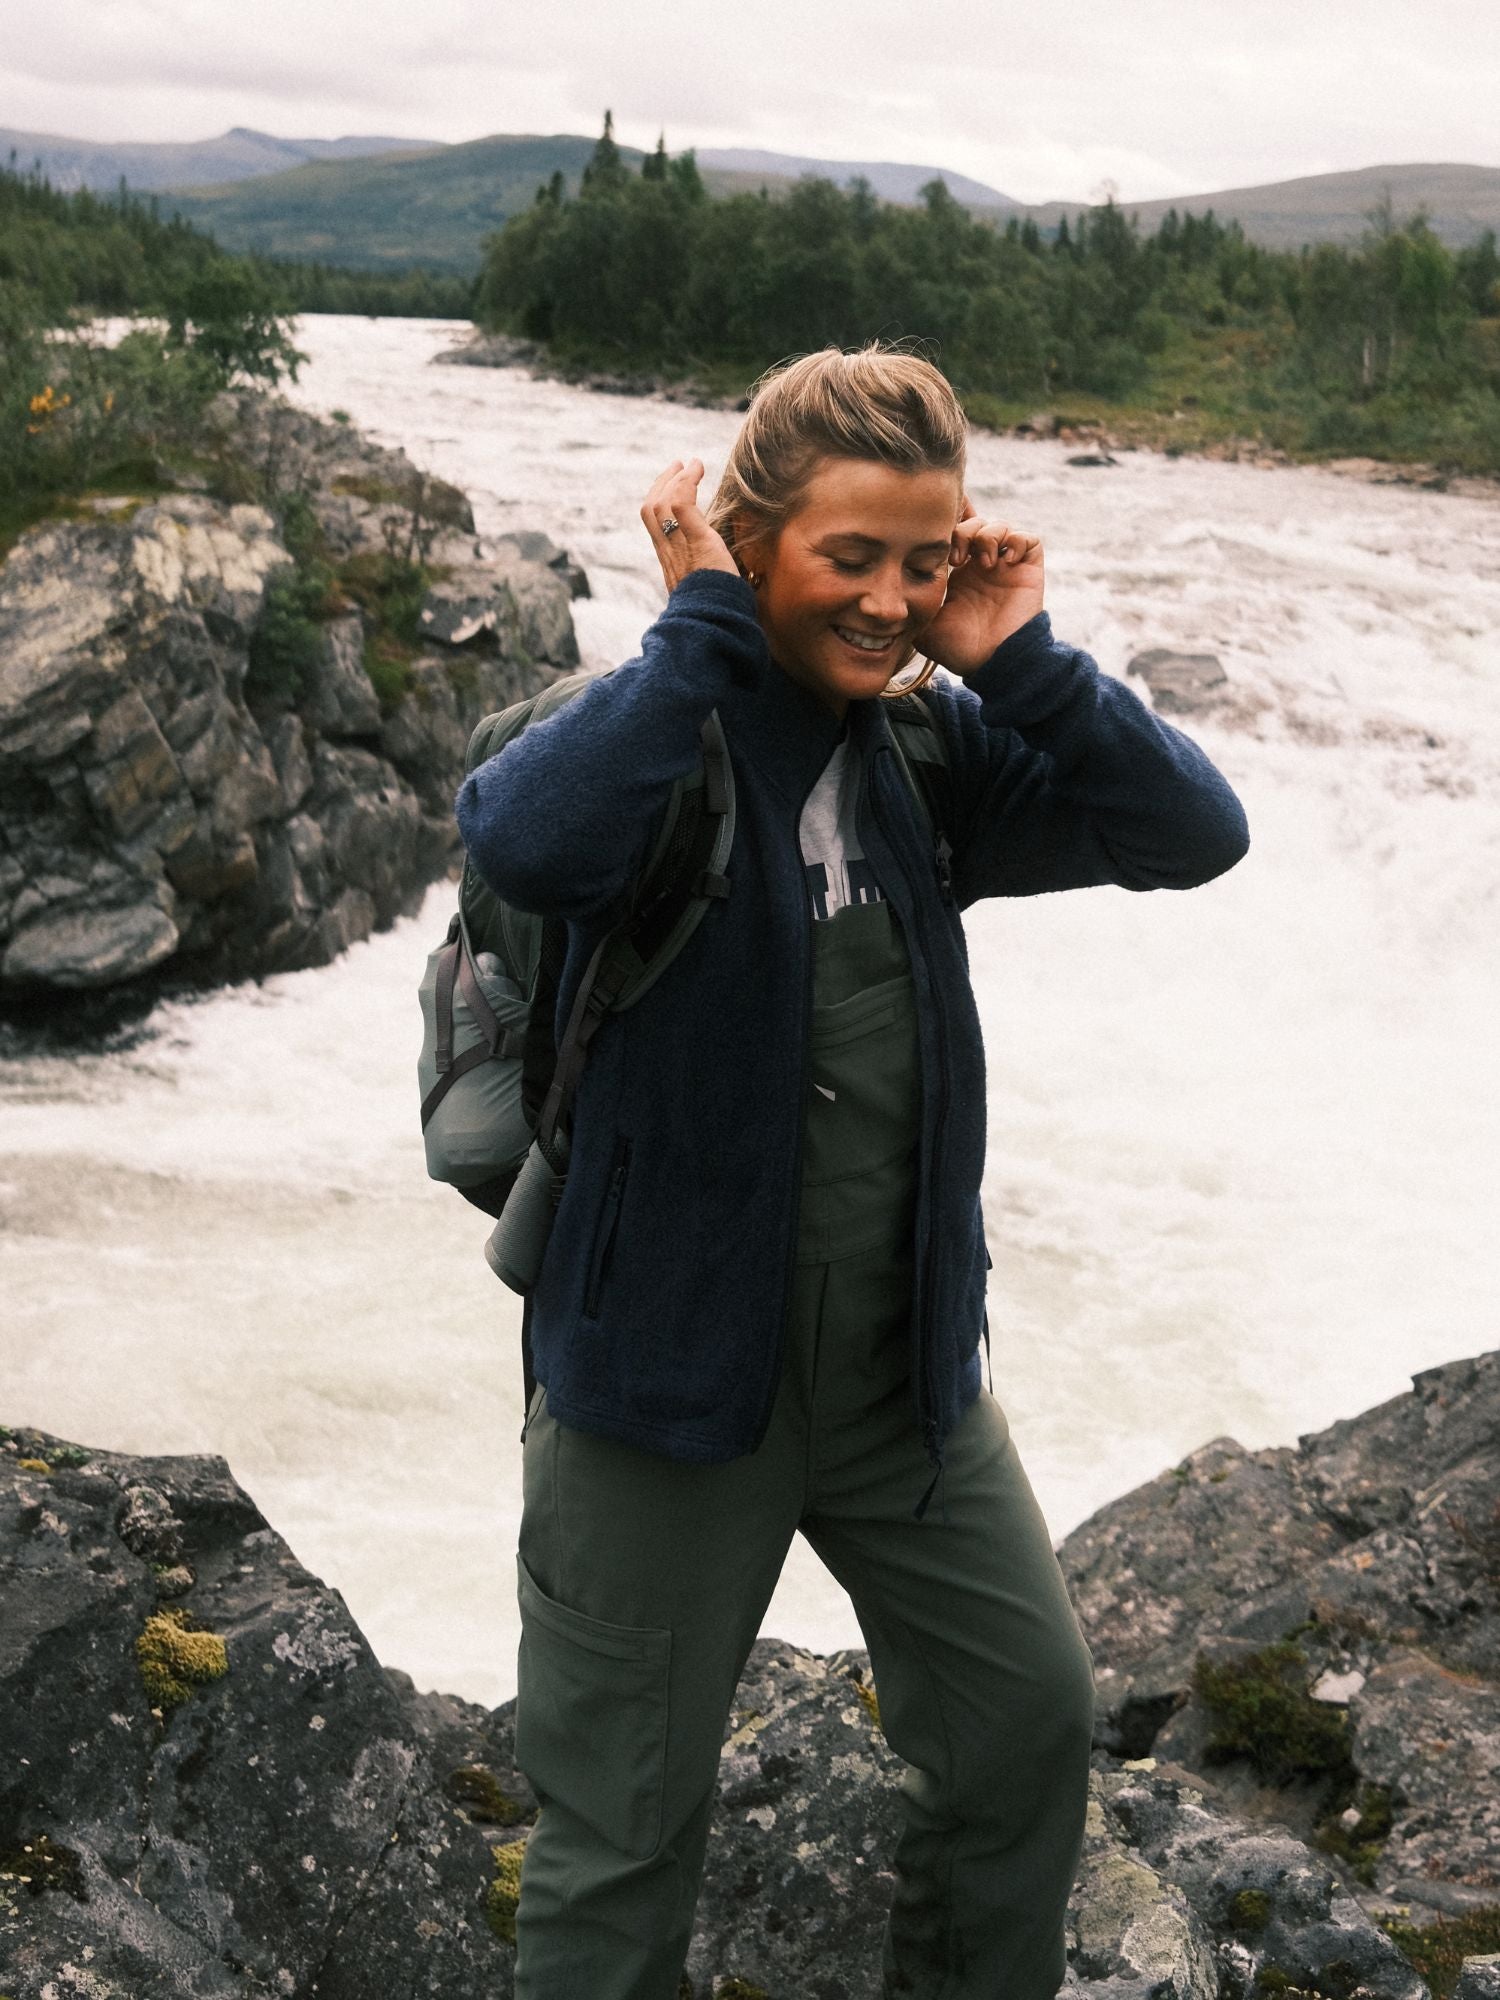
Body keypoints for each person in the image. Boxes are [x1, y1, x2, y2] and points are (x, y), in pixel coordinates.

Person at [454, 342, 1250, 1999]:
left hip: (906, 1377)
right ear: (752, 540)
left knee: (1025, 1731)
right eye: (852, 557)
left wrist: (1020, 659)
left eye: (926, 559)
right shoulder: (643, 735)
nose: (892, 600)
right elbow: (522, 838)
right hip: (660, 1392)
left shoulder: (927, 758)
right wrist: (695, 637)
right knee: (619, 1837)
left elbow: (1191, 834)